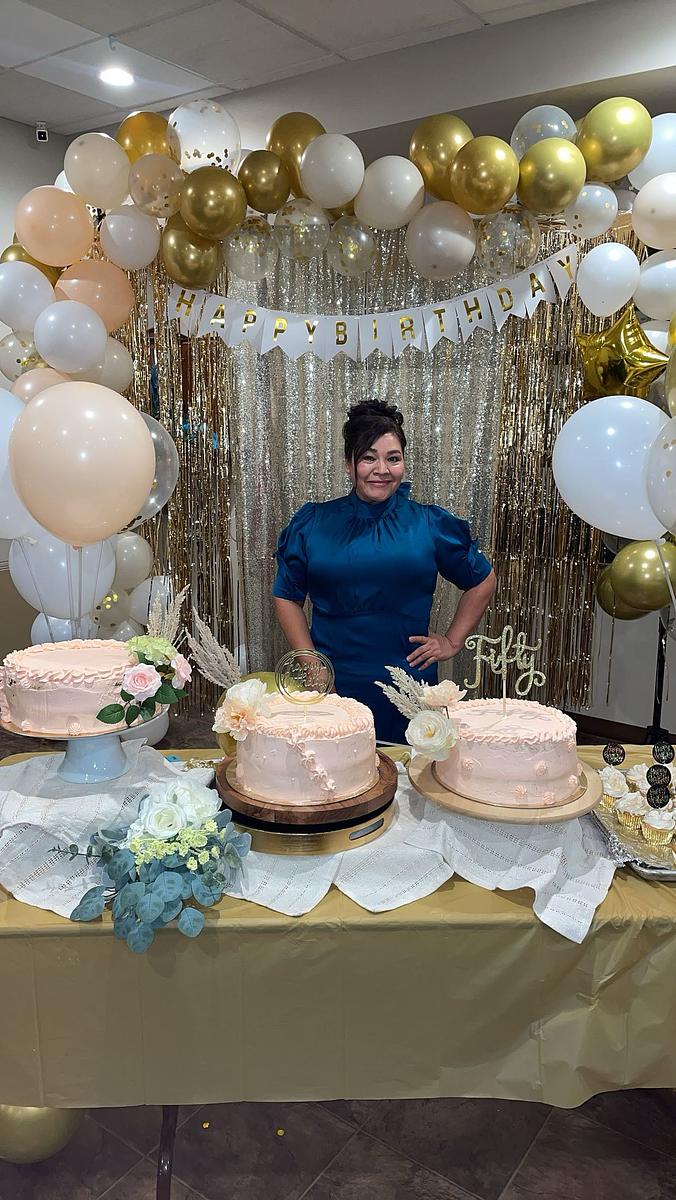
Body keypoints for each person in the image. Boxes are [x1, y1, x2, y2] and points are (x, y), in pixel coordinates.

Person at [272, 399, 496, 743]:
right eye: (368, 457)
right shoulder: (313, 523)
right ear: (349, 464)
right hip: (333, 680)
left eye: (393, 458)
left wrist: (452, 641)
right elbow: (286, 596)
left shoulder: (430, 523)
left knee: (410, 775)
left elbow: (482, 580)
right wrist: (310, 661)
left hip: (407, 682)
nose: (382, 469)